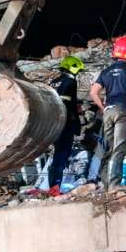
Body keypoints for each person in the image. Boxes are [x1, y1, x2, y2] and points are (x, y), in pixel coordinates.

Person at [89, 36, 126, 191]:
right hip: (124, 112)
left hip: (108, 111)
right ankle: (115, 184)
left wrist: (104, 108)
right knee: (120, 148)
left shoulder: (106, 71)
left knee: (109, 149)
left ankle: (105, 183)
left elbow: (93, 93)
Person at [48, 55, 83, 188]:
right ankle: (55, 186)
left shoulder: (54, 82)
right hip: (66, 123)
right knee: (62, 154)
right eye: (78, 71)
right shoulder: (71, 82)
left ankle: (53, 184)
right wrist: (76, 124)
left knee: (57, 153)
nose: (78, 73)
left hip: (54, 123)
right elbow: (71, 105)